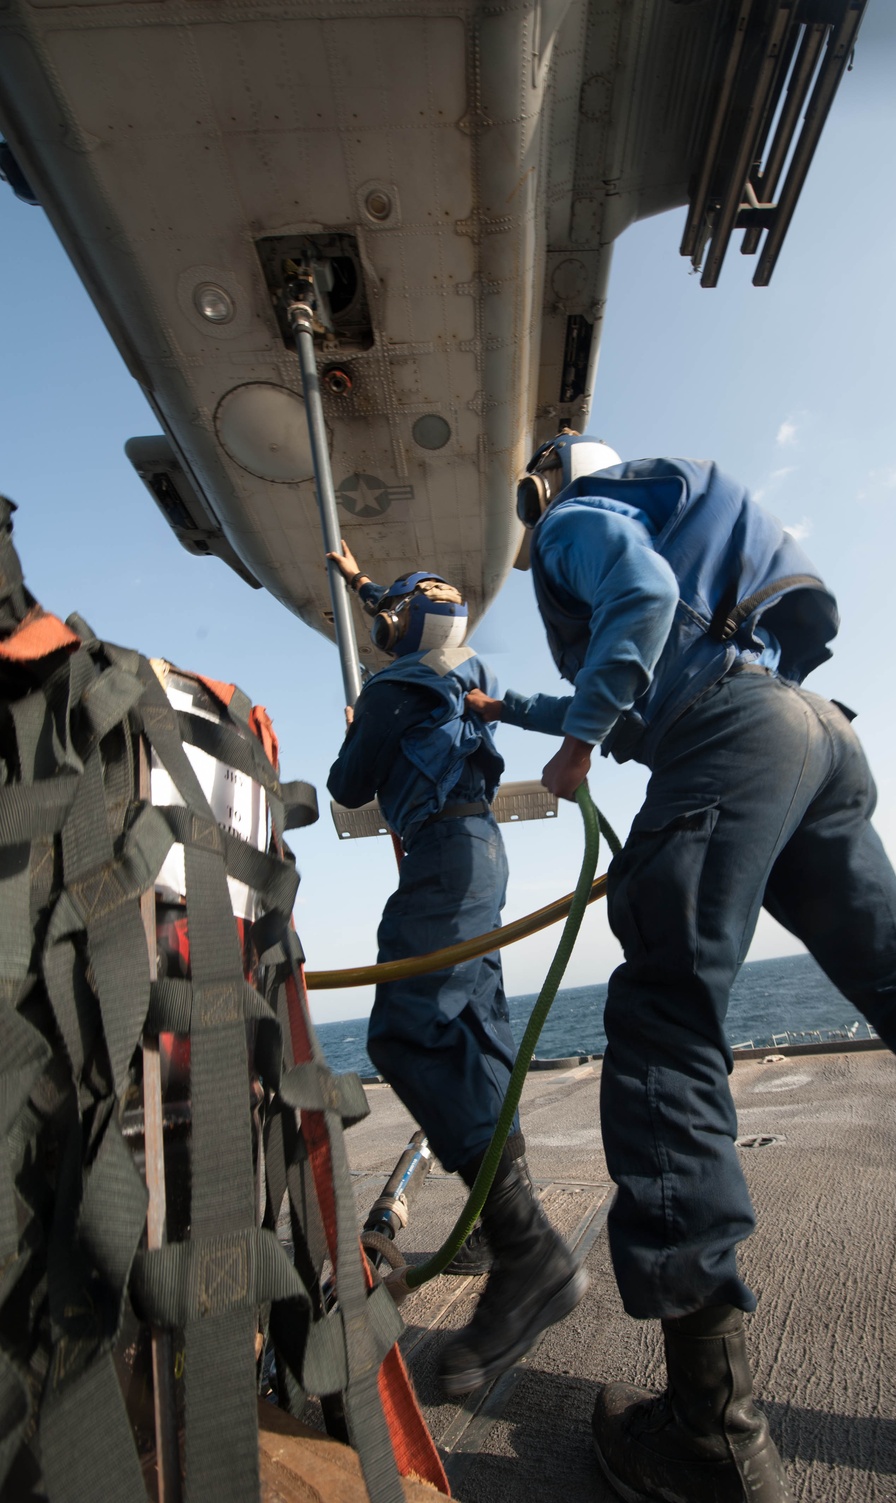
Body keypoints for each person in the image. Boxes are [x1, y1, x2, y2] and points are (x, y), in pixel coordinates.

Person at [466, 433, 896, 1503]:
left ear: (543, 486)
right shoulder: (665, 517)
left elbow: (644, 600)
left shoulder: (577, 518)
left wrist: (573, 748)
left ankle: (709, 1436)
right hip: (810, 735)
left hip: (728, 739)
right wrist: (520, 714)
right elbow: (657, 642)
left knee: (663, 1027)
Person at [325, 541, 588, 1398]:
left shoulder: (393, 690)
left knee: (410, 1034)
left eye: (387, 617)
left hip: (440, 859)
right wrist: (360, 580)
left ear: (406, 632)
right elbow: (416, 615)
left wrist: (359, 717)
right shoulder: (454, 664)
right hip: (478, 852)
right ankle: (492, 1222)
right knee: (472, 1031)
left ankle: (528, 1249)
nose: (381, 624)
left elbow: (348, 783)